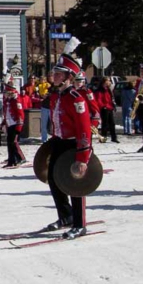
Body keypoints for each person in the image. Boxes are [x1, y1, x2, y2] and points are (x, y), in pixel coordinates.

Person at [45, 46, 93, 240]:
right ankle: (65, 216)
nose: (53, 76)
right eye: (55, 73)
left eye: (58, 73)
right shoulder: (55, 96)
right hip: (59, 142)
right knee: (54, 179)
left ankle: (80, 224)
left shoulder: (76, 98)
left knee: (75, 183)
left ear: (67, 77)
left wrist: (83, 156)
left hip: (74, 145)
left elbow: (84, 129)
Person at [1, 84, 26, 168]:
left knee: (12, 142)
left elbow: (20, 114)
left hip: (15, 124)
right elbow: (6, 113)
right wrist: (4, 123)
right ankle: (11, 160)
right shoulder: (8, 101)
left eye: (6, 92)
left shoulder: (16, 101)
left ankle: (18, 159)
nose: (5, 94)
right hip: (10, 124)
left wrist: (19, 126)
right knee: (9, 143)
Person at [95, 77, 119, 143]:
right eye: (107, 81)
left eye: (109, 81)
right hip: (104, 108)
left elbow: (111, 99)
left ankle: (114, 137)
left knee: (112, 123)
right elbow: (98, 99)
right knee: (105, 124)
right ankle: (103, 137)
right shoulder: (100, 90)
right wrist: (103, 106)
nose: (109, 82)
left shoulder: (108, 90)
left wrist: (113, 105)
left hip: (109, 107)